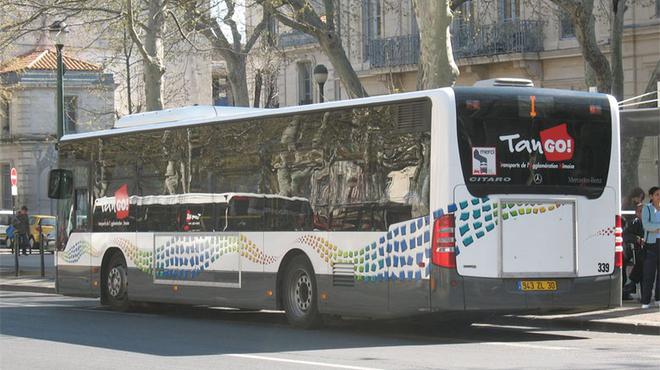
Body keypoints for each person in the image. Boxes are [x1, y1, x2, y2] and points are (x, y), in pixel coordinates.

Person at [640, 187, 660, 308]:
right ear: (651, 196)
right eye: (657, 194)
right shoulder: (647, 208)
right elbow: (646, 225)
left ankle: (658, 299)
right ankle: (646, 301)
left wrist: (656, 227)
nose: (659, 197)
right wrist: (657, 227)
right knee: (649, 274)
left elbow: (653, 226)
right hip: (651, 245)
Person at [622, 202, 645, 300]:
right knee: (643, 260)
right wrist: (638, 239)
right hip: (639, 250)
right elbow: (626, 235)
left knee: (644, 260)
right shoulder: (634, 223)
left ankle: (632, 283)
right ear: (637, 213)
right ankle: (631, 284)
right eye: (640, 212)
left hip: (654, 249)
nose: (643, 214)